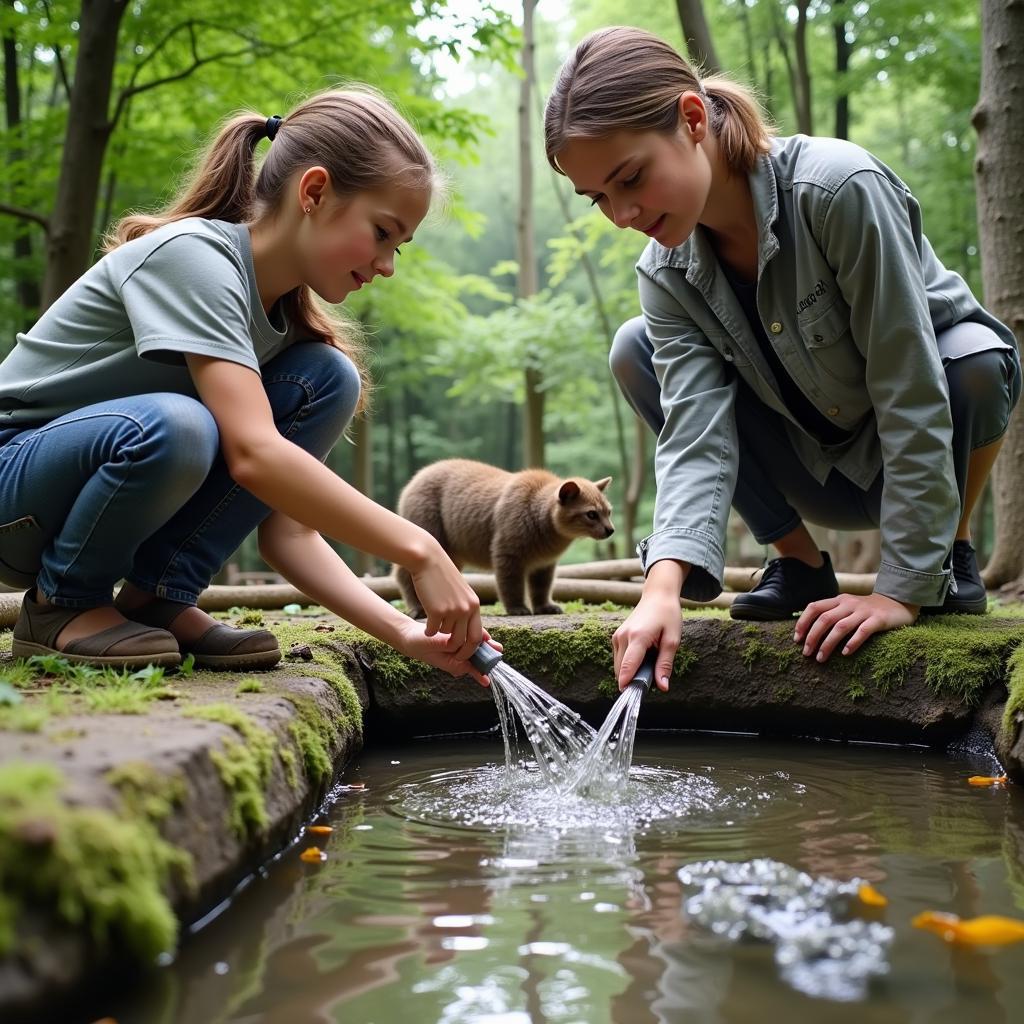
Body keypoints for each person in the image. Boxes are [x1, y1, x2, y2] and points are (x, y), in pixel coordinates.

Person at [543, 27, 1020, 689]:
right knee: (634, 348)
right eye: (598, 198)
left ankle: (950, 554)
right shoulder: (663, 274)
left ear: (690, 119)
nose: (621, 213)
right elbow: (694, 435)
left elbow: (909, 386)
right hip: (805, 469)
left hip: (915, 456)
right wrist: (662, 587)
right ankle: (798, 565)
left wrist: (898, 591)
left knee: (975, 356)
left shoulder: (837, 189)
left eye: (631, 178)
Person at [0, 87, 494, 682]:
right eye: (383, 232)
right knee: (179, 425)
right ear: (313, 192)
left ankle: (158, 597)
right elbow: (255, 455)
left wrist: (404, 632)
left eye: (400, 245)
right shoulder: (194, 258)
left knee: (329, 377)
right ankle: (63, 606)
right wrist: (421, 548)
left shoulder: (286, 330)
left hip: (89, 492)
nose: (388, 264)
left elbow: (289, 532)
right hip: (16, 488)